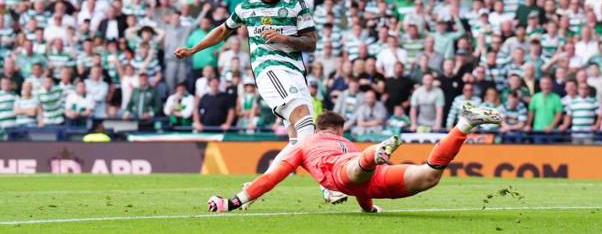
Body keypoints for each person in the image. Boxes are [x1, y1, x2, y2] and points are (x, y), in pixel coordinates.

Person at [175, 0, 346, 204]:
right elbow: (223, 30)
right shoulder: (247, 9)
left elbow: (311, 42)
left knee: (298, 139)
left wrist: (284, 38)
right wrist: (194, 49)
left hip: (295, 73)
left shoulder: (296, 6)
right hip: (269, 71)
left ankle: (255, 188)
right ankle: (327, 185)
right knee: (304, 119)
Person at [207, 103, 501, 213]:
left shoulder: (305, 144)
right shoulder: (344, 141)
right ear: (338, 128)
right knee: (429, 175)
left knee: (356, 168)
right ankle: (464, 124)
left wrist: (234, 202)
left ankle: (377, 151)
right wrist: (368, 209)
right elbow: (361, 185)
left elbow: (271, 178)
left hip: (345, 174)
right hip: (369, 177)